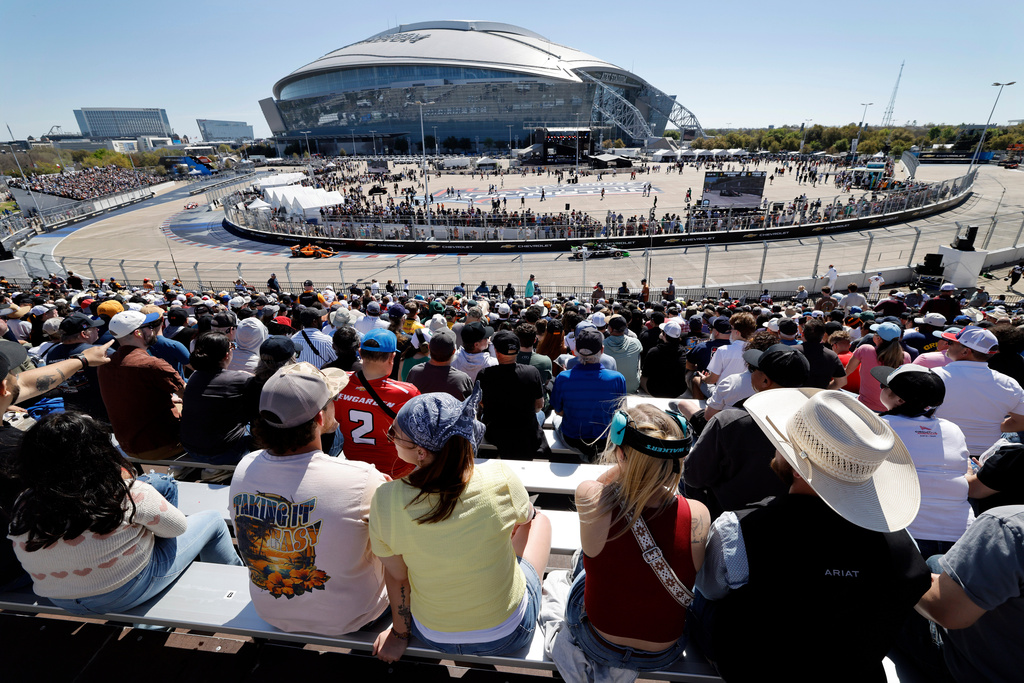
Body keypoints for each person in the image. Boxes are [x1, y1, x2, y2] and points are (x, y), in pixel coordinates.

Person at [693, 389, 931, 681]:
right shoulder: (901, 543)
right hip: (854, 669)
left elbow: (711, 588)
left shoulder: (740, 527)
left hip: (755, 666)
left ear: (796, 467)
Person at [368, 389, 552, 662]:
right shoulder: (500, 477)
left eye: (394, 434)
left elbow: (397, 577)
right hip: (508, 633)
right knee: (539, 520)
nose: (391, 439)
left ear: (420, 452)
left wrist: (399, 634)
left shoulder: (385, 499)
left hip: (432, 632)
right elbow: (524, 521)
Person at [8, 411, 242, 616]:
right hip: (124, 592)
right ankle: (236, 585)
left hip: (58, 598)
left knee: (157, 495)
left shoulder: (24, 501)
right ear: (98, 450)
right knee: (213, 520)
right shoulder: (127, 493)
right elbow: (178, 528)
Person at [230, 363, 389, 635]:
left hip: (271, 611)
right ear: (319, 419)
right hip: (353, 617)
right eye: (332, 401)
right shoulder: (362, 478)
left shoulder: (246, 466)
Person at [557, 404, 709, 674]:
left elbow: (605, 485)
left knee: (584, 560)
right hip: (663, 652)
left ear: (620, 452)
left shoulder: (591, 497)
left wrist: (630, 467)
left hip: (599, 641)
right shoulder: (698, 513)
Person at [683, 344, 809, 520]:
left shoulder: (729, 421)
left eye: (753, 369)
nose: (750, 372)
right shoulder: (812, 423)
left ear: (765, 381)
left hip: (727, 516)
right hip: (787, 513)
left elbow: (693, 477)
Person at [907, 504, 1024, 682]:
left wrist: (906, 574)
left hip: (979, 673)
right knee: (936, 562)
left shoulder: (1006, 524)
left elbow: (945, 612)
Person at [872, 364, 970, 558]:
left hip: (905, 531)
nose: (881, 388)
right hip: (961, 534)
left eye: (884, 386)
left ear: (899, 400)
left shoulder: (878, 427)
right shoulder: (952, 429)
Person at [97, 310, 186, 461]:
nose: (153, 330)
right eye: (149, 327)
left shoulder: (104, 364)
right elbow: (190, 396)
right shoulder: (153, 365)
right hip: (163, 445)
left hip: (128, 444)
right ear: (138, 333)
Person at [334, 329, 420, 478]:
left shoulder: (338, 382)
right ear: (392, 357)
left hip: (355, 466)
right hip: (396, 468)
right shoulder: (407, 392)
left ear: (360, 352)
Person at [932, 326, 1024, 457]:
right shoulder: (1008, 383)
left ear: (965, 351)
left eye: (951, 343)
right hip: (985, 458)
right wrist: (991, 426)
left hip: (941, 452)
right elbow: (1022, 421)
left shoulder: (934, 376)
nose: (948, 345)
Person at [551, 328, 626, 462]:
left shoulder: (563, 377)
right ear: (602, 350)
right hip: (605, 440)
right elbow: (620, 411)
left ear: (576, 351)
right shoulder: (617, 378)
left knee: (555, 420)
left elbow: (558, 411)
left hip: (572, 439)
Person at [180, 332, 255, 467]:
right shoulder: (241, 379)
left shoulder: (194, 377)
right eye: (232, 346)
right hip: (225, 453)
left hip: (190, 448)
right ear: (227, 355)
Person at [477, 330, 549, 460]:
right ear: (517, 351)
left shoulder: (485, 374)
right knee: (541, 414)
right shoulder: (532, 372)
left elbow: (480, 403)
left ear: (497, 353)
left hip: (495, 432)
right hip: (526, 432)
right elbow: (539, 406)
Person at [844, 322, 910, 412]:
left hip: (865, 406)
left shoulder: (865, 349)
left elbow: (846, 372)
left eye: (875, 333)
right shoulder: (906, 356)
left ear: (878, 338)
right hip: (890, 409)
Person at [406, 329, 473, 399]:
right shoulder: (462, 380)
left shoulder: (415, 372)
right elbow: (471, 406)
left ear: (429, 348)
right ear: (453, 351)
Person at [640, 319, 687, 398]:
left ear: (664, 334)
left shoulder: (654, 351)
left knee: (642, 377)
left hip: (655, 391)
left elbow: (645, 373)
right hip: (677, 391)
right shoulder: (683, 352)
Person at [603, 315, 642, 394]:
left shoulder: (602, 345)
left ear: (610, 329)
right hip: (632, 387)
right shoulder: (636, 342)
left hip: (611, 388)